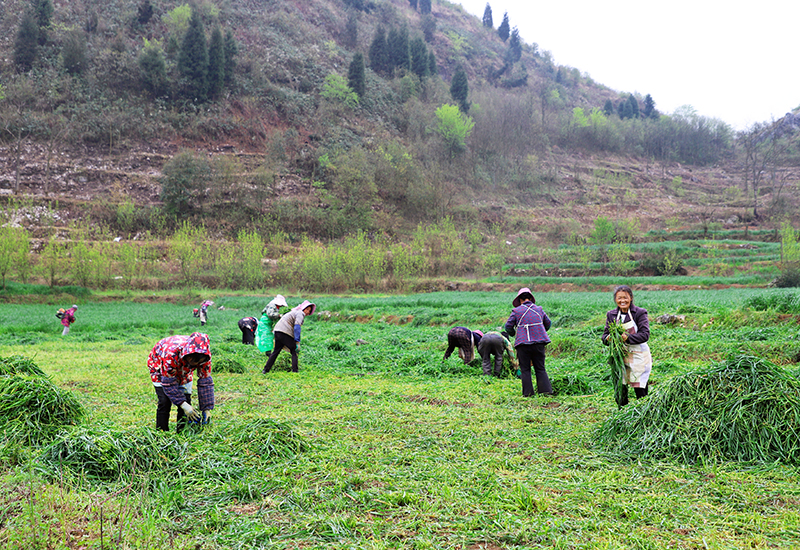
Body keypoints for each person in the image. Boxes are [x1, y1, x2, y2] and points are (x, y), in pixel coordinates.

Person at [148, 332, 215, 433]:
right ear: (188, 354)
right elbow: (169, 384)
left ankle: (182, 431)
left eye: (197, 362)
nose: (194, 364)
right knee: (164, 401)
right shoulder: (170, 354)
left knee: (186, 400)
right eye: (192, 360)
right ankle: (161, 432)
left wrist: (206, 408)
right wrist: (183, 404)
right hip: (160, 366)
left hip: (183, 370)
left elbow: (205, 383)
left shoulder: (204, 358)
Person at [601, 285, 652, 405]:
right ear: (615, 299)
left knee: (640, 390)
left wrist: (628, 338)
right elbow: (604, 336)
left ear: (631, 298)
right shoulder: (611, 314)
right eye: (619, 298)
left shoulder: (639, 313)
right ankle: (622, 413)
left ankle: (643, 412)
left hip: (638, 356)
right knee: (621, 388)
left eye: (625, 297)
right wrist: (608, 339)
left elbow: (645, 335)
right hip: (620, 357)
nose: (622, 300)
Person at [505, 287, 553, 396]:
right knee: (540, 368)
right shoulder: (539, 309)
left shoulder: (516, 311)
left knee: (525, 370)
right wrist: (539, 331)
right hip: (539, 342)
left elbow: (508, 327)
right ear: (530, 298)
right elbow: (548, 323)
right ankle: (546, 392)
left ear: (520, 300)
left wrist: (513, 334)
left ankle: (528, 394)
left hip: (523, 344)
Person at [263, 299, 315, 373]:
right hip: (284, 332)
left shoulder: (294, 312)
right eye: (307, 309)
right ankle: (295, 371)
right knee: (294, 350)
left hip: (278, 331)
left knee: (276, 351)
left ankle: (265, 370)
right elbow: (297, 327)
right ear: (304, 309)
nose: (308, 312)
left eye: (309, 311)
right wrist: (297, 340)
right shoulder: (300, 313)